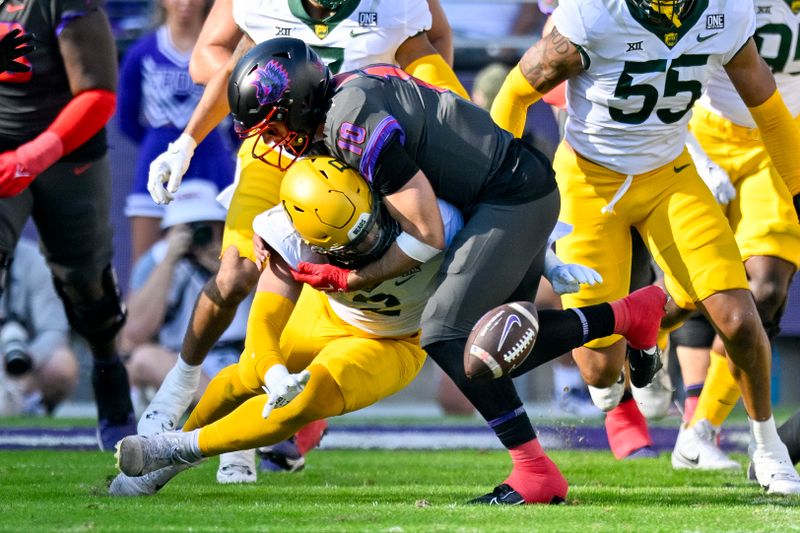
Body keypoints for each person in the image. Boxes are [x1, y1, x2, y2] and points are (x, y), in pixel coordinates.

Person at [220, 39, 665, 504]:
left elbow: (426, 232)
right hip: (501, 195)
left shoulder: (350, 121)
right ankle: (630, 316)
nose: (269, 141)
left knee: (444, 332)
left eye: (272, 127)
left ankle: (536, 472)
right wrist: (272, 225)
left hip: (509, 198)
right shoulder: (343, 103)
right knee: (500, 347)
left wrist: (352, 279)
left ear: (302, 102)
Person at [111, 154, 665, 498]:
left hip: (394, 339)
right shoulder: (289, 228)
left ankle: (171, 452)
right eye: (340, 242)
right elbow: (263, 334)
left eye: (364, 228)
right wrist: (270, 366)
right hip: (326, 312)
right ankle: (161, 462)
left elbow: (499, 228)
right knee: (245, 380)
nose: (359, 246)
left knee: (304, 404)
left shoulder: (432, 211)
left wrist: (543, 256)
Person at [489, 0, 800, 494]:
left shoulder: (724, 10)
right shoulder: (593, 14)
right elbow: (514, 93)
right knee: (600, 368)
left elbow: (772, 114)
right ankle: (637, 339)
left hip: (670, 176)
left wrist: (796, 192)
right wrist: (501, 190)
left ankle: (769, 449)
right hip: (588, 183)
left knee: (740, 316)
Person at [136, 0, 469, 455]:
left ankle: (269, 418)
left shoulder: (395, 8)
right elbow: (224, 63)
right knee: (235, 273)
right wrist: (189, 140)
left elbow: (433, 51)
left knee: (329, 275)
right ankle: (181, 382)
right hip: (272, 148)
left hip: (345, 155)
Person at [668, 0, 800, 472]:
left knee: (764, 290)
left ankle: (699, 431)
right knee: (686, 295)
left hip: (780, 141)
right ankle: (635, 356)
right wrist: (698, 157)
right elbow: (668, 67)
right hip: (704, 133)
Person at [0, 0, 136, 449]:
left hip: (67, 153)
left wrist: (34, 156)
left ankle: (109, 373)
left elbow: (99, 95)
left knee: (86, 282)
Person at [119, 180, 260, 484]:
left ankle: (227, 416)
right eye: (193, 229)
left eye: (211, 227)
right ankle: (227, 414)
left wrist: (228, 273)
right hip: (185, 364)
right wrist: (170, 260)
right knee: (142, 358)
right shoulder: (158, 261)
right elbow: (132, 335)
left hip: (239, 358)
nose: (204, 237)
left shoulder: (243, 251)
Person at [117, 0, 235, 261]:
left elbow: (241, 110)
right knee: (146, 265)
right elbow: (126, 119)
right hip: (158, 157)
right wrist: (159, 140)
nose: (186, 3)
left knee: (224, 261)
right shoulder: (142, 52)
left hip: (211, 160)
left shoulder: (222, 53)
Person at [0, 238, 78, 416]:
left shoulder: (34, 260)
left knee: (61, 364)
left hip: (25, 361)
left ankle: (36, 406)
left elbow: (54, 330)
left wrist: (25, 361)